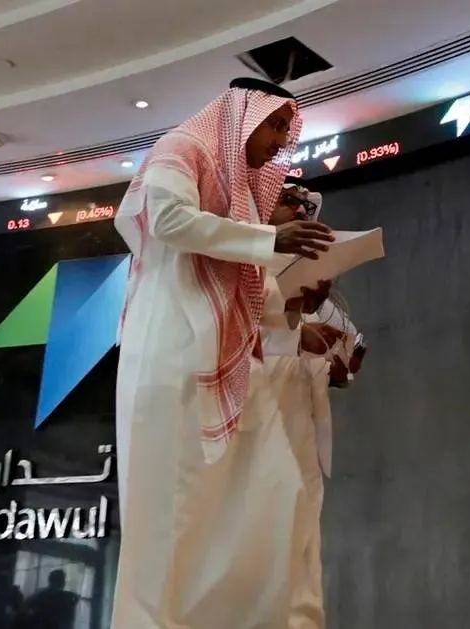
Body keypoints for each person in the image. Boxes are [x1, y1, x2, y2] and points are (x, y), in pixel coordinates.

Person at [111, 78, 336, 629]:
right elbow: (168, 220)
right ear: (242, 116)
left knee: (277, 496)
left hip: (231, 365)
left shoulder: (243, 198)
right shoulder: (183, 147)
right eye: (275, 125)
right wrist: (268, 239)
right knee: (171, 515)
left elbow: (246, 291)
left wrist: (294, 310)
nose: (280, 142)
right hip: (172, 353)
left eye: (286, 129)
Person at [264, 183, 366, 629]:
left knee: (297, 560)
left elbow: (348, 367)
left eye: (308, 206)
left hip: (298, 435)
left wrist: (317, 316)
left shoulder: (319, 290)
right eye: (289, 200)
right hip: (244, 432)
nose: (301, 210)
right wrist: (291, 330)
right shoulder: (237, 270)